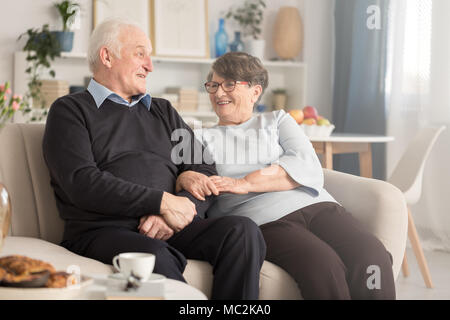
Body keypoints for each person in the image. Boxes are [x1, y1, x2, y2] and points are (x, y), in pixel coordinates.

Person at [42, 20, 266, 300]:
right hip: (103, 230)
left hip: (171, 223)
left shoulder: (162, 110)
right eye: (140, 54)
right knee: (153, 257)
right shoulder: (70, 110)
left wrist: (180, 209)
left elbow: (204, 168)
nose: (149, 65)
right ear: (107, 56)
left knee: (242, 231)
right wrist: (160, 202)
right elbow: (82, 182)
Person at [195, 52, 396, 299]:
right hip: (264, 220)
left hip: (319, 206)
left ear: (255, 91)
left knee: (371, 255)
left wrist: (246, 182)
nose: (218, 93)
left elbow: (307, 164)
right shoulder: (200, 138)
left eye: (228, 84)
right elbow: (197, 184)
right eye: (213, 85)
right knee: (323, 265)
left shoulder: (277, 120)